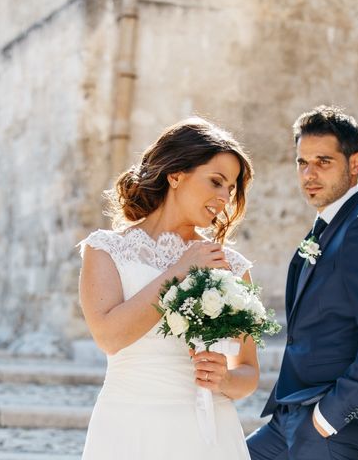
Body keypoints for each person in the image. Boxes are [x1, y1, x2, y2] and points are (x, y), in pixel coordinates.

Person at [78, 117, 258, 459]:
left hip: (209, 434)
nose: (224, 198)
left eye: (230, 189)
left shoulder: (230, 265)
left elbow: (247, 371)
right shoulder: (105, 250)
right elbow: (108, 336)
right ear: (175, 175)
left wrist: (224, 380)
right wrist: (181, 270)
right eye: (216, 182)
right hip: (129, 426)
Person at [246, 105, 358, 460]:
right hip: (290, 413)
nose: (309, 174)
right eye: (302, 163)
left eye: (323, 161)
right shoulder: (328, 225)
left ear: (355, 163)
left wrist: (328, 418)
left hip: (327, 426)